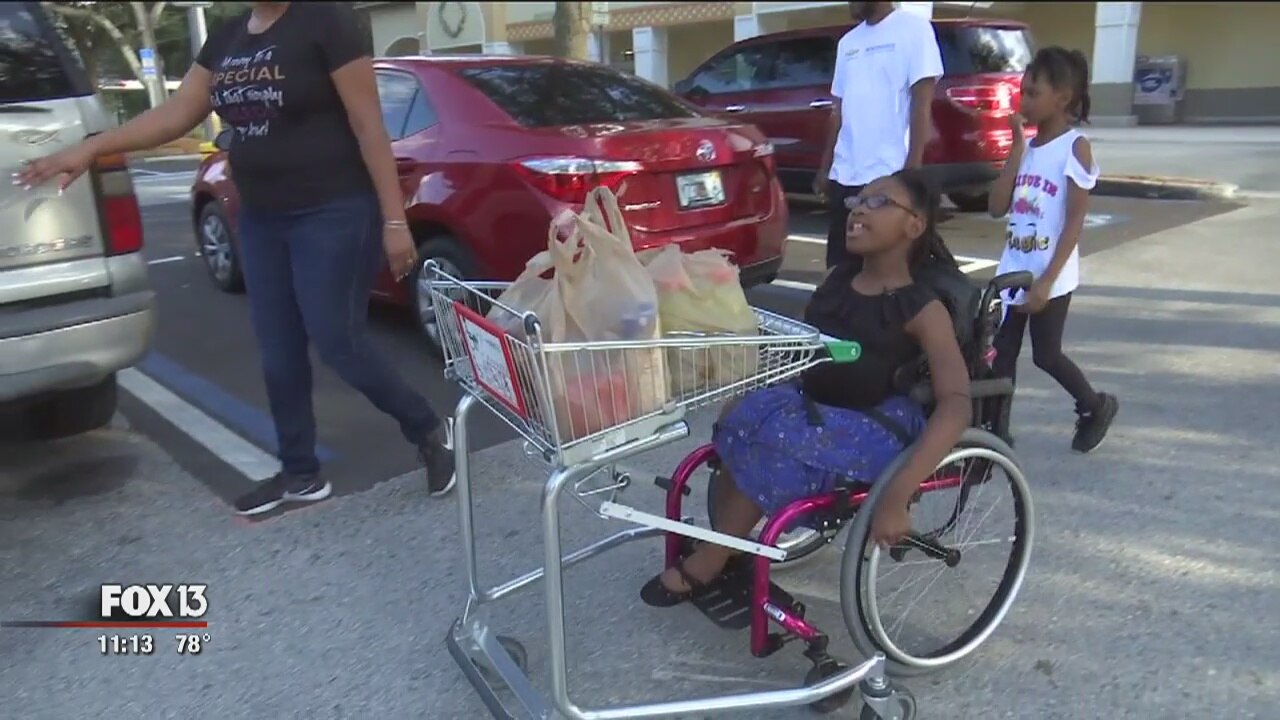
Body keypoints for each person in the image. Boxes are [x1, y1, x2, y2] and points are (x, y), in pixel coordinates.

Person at [17, 1, 458, 514]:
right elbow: (178, 113)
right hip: (263, 218)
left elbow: (368, 126)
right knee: (278, 351)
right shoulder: (227, 39)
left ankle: (428, 429)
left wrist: (394, 220)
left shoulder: (325, 22)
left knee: (338, 340)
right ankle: (300, 473)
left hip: (333, 210)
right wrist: (93, 147)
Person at [641, 169, 972, 606]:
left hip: (873, 423)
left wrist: (899, 492)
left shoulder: (923, 309)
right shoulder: (837, 281)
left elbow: (956, 403)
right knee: (741, 415)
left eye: (879, 203)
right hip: (818, 402)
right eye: (857, 201)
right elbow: (803, 352)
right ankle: (728, 542)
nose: (857, 211)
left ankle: (712, 559)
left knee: (773, 438)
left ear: (915, 225)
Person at [987, 46, 1119, 454]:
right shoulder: (1026, 149)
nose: (1022, 101)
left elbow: (1075, 220)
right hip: (1014, 268)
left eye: (1032, 93)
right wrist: (1013, 150)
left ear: (1062, 98)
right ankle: (995, 435)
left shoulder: (1074, 147)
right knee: (1001, 354)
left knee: (1046, 354)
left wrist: (1046, 281)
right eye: (1022, 92)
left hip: (1050, 274)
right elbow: (995, 208)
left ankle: (1095, 406)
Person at [814, 1, 943, 269]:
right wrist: (825, 167)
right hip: (845, 176)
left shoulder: (914, 30)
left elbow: (922, 103)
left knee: (884, 271)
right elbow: (838, 111)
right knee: (840, 270)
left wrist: (912, 170)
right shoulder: (847, 43)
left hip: (889, 176)